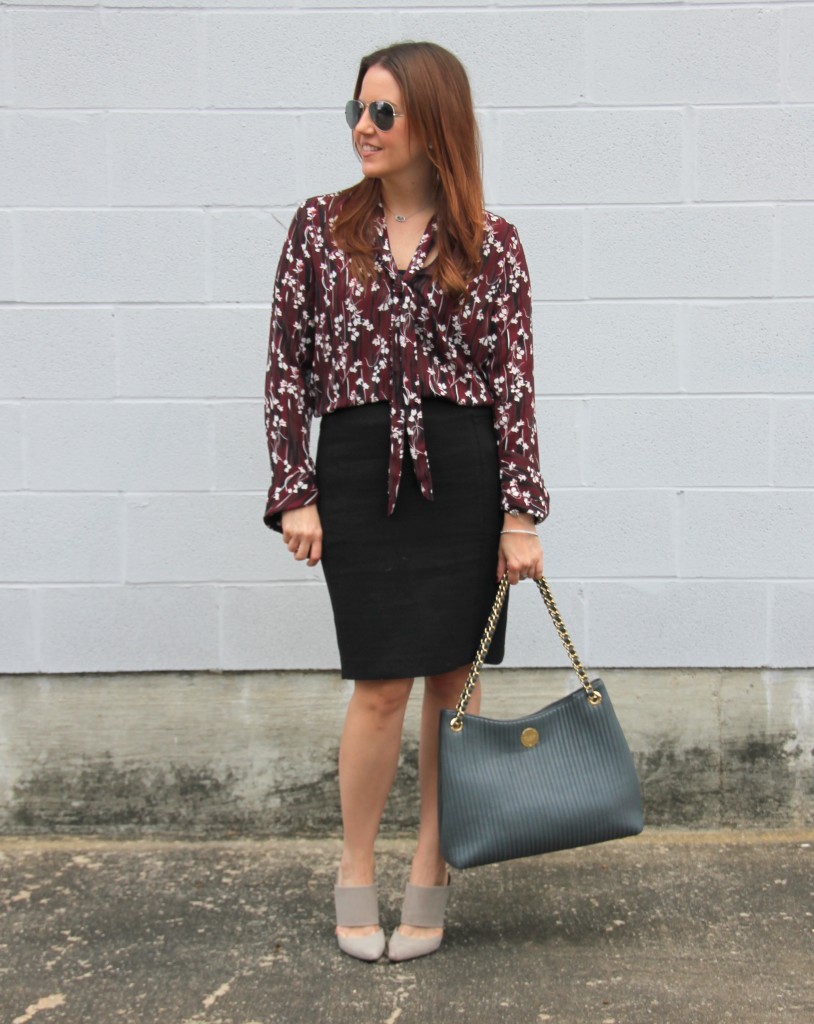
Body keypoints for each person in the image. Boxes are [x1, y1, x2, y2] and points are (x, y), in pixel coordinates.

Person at [263, 41, 550, 962]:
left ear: (433, 120)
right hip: (357, 469)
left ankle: (431, 869)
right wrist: (293, 490)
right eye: (356, 108)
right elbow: (284, 369)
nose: (363, 126)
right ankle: (355, 869)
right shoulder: (319, 227)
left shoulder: (490, 241)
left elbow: (515, 387)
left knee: (449, 689)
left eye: (383, 112)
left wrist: (520, 512)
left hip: (463, 472)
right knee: (380, 684)